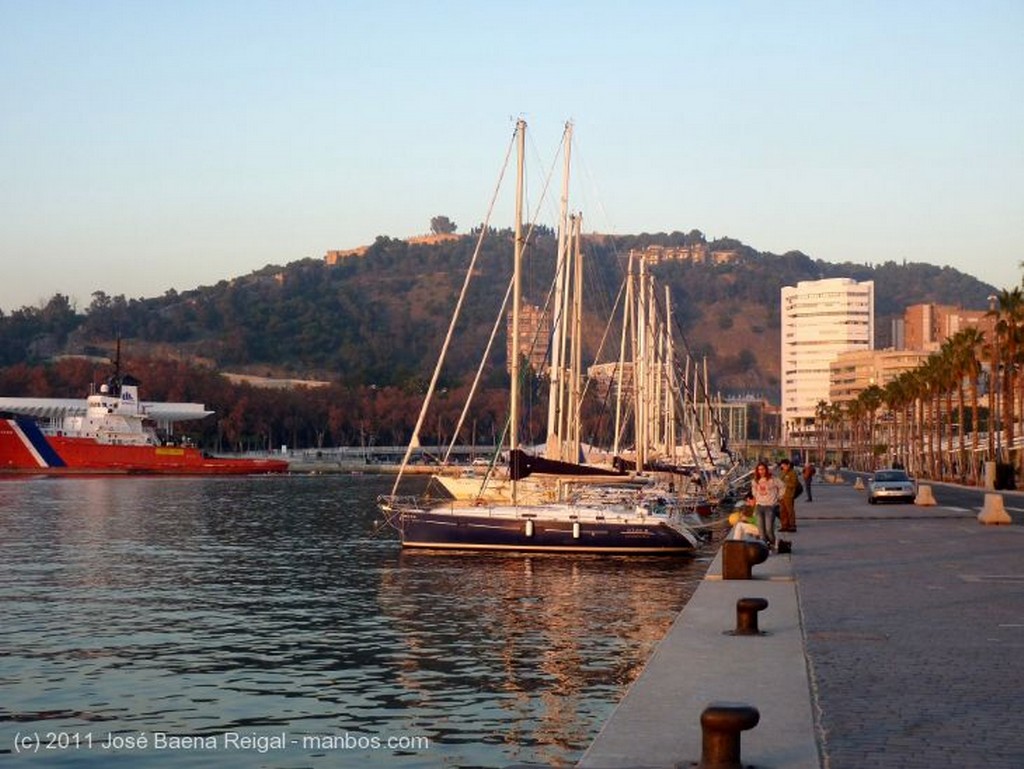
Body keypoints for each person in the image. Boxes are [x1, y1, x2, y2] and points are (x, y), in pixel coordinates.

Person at [751, 461, 780, 549]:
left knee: (769, 530)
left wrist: (778, 497)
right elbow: (754, 493)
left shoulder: (773, 479)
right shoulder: (755, 481)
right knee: (761, 531)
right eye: (759, 470)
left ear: (766, 470)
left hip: (770, 506)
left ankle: (773, 545)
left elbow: (783, 487)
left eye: (763, 469)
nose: (761, 471)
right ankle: (765, 548)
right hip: (759, 506)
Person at [778, 458, 799, 532]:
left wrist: (785, 483)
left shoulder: (792, 473)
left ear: (788, 465)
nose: (783, 467)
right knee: (782, 511)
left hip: (789, 494)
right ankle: (784, 525)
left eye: (784, 465)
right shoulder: (782, 473)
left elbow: (794, 484)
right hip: (781, 495)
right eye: (782, 465)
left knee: (790, 511)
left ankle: (792, 525)